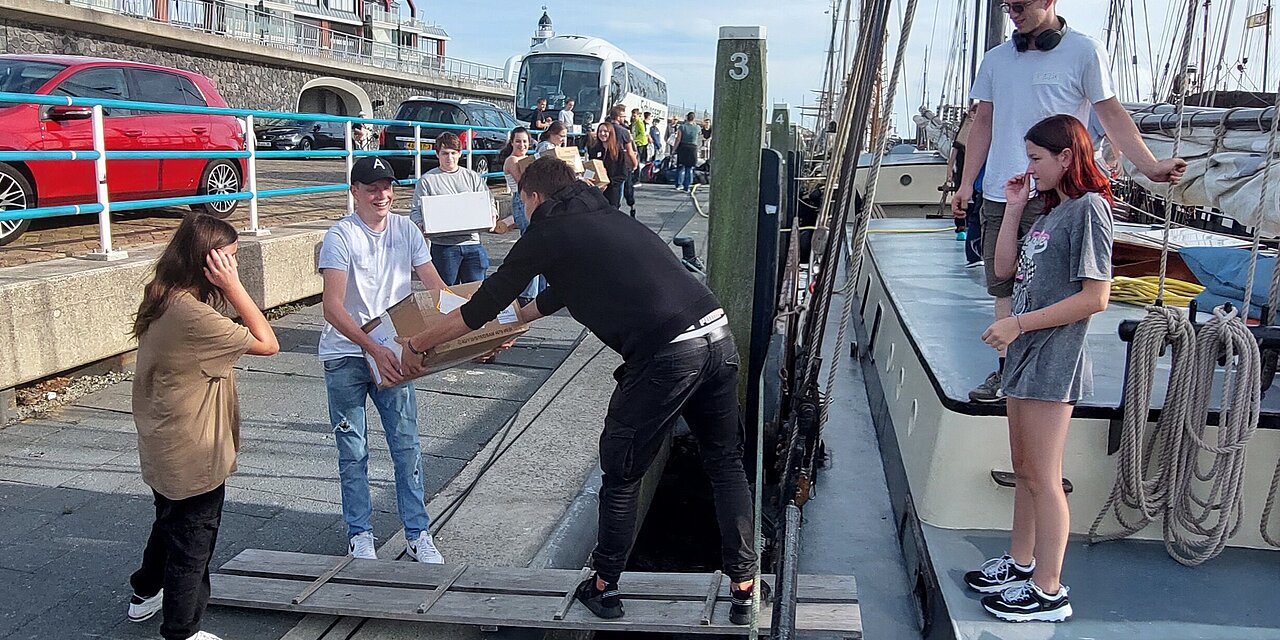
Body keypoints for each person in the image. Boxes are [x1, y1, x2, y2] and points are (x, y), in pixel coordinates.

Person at [398, 158, 766, 626]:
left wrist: (418, 343)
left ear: (533, 196)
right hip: (716, 333)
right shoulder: (602, 213)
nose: (521, 208)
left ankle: (605, 585)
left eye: (521, 199)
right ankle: (744, 585)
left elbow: (481, 305)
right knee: (725, 463)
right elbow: (563, 290)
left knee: (622, 471)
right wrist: (515, 324)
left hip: (667, 353)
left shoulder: (546, 232)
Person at [950, 0, 1186, 403]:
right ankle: (1008, 373)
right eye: (1007, 6)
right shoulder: (995, 60)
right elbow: (983, 122)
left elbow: (1110, 114)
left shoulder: (1084, 51)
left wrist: (1149, 166)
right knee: (1003, 286)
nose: (1012, 14)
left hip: (1057, 198)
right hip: (1002, 193)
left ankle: (1057, 379)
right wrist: (966, 183)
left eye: (1020, 5)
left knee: (1056, 290)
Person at [968, 114, 1114, 623]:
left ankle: (1049, 590)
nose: (1030, 168)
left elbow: (1095, 298)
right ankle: (1020, 561)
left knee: (1045, 477)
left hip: (1053, 359)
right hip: (1026, 357)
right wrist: (1013, 208)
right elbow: (1004, 270)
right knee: (1025, 470)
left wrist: (1018, 324)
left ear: (1066, 157)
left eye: (1036, 159)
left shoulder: (1090, 209)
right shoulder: (1052, 212)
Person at [127, 214, 280, 640]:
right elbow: (268, 343)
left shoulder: (164, 294)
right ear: (207, 261)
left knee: (169, 523)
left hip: (164, 441)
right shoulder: (193, 316)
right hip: (193, 450)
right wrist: (234, 287)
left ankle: (144, 592)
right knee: (193, 542)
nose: (234, 265)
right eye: (229, 258)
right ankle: (182, 629)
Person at [319, 156, 448, 565]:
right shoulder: (340, 235)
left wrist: (475, 324)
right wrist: (370, 347)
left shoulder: (407, 230)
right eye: (372, 188)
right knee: (352, 448)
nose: (382, 195)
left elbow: (437, 290)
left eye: (387, 187)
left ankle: (418, 532)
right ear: (355, 191)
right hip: (346, 353)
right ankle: (360, 533)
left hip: (394, 351)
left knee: (406, 445)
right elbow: (332, 307)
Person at [410, 132, 494, 285]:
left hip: (472, 243)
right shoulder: (427, 181)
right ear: (437, 154)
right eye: (445, 153)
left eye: (453, 153)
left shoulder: (473, 177)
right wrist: (421, 224)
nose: (450, 157)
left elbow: (488, 201)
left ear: (460, 154)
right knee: (446, 293)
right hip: (444, 247)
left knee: (477, 292)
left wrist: (492, 216)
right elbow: (416, 212)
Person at [500, 126, 543, 304]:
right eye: (518, 141)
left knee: (541, 246)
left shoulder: (528, 159)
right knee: (531, 244)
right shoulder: (512, 160)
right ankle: (527, 293)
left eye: (525, 141)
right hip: (522, 201)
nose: (522, 145)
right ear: (512, 142)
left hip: (534, 200)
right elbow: (523, 184)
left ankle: (540, 290)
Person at [948, 104, 984, 267]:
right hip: (963, 172)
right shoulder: (966, 129)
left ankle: (967, 229)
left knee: (975, 204)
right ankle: (961, 228)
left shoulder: (983, 130)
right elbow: (955, 149)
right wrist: (950, 169)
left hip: (977, 175)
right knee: (962, 202)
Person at [589, 121, 630, 209]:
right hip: (597, 190)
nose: (602, 134)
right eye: (600, 131)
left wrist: (609, 183)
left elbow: (623, 174)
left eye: (605, 131)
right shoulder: (594, 150)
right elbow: (590, 168)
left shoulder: (618, 151)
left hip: (612, 190)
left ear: (610, 133)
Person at [608, 104, 638, 216]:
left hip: (607, 163)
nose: (624, 118)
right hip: (620, 164)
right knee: (621, 188)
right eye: (623, 116)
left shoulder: (605, 128)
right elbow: (630, 151)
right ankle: (619, 210)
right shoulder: (624, 131)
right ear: (618, 117)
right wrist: (634, 164)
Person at [672, 112, 701, 192]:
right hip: (693, 148)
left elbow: (678, 139)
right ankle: (687, 186)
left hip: (683, 147)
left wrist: (674, 149)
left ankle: (678, 184)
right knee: (689, 168)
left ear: (686, 117)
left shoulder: (682, 127)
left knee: (680, 167)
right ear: (694, 118)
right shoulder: (697, 127)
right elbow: (699, 137)